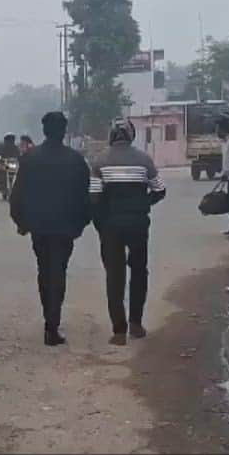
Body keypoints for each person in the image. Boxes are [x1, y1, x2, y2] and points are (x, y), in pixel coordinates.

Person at [10, 112, 91, 346]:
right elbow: (87, 197)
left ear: (44, 131)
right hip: (65, 228)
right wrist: (80, 224)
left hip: (39, 228)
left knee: (44, 271)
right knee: (58, 273)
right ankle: (52, 324)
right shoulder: (76, 160)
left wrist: (22, 223)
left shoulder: (30, 159)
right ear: (63, 131)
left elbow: (17, 196)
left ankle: (50, 320)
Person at [91, 117, 166, 344]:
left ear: (111, 136)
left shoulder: (99, 161)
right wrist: (143, 204)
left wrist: (101, 224)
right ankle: (136, 323)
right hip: (138, 223)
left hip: (111, 226)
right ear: (131, 136)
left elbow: (94, 198)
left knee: (115, 275)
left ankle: (119, 330)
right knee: (139, 271)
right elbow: (160, 190)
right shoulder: (144, 160)